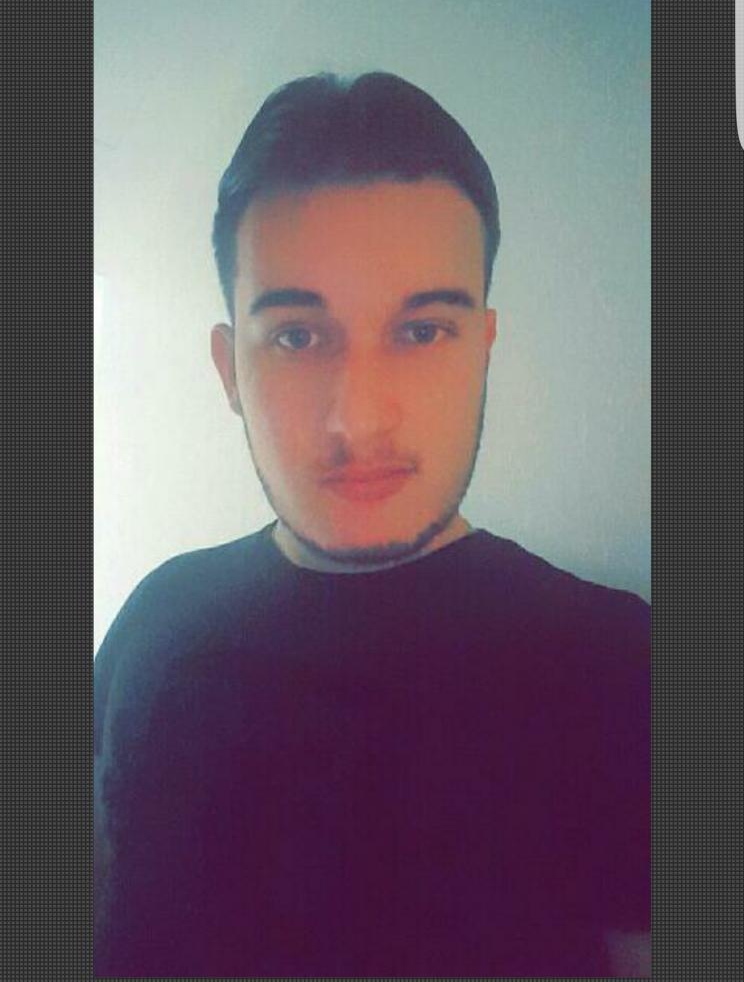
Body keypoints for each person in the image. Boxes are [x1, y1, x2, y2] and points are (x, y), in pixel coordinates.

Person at [94, 71, 650, 977]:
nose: (358, 421)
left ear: (482, 350)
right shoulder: (155, 617)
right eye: (297, 336)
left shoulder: (624, 668)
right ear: (229, 369)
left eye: (423, 331)